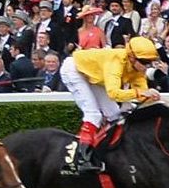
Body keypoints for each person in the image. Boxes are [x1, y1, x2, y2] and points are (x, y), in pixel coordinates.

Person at [60, 36, 162, 174]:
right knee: (93, 114)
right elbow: (114, 93)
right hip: (74, 70)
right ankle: (79, 159)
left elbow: (142, 93)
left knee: (115, 114)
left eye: (150, 62)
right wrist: (142, 93)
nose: (147, 66)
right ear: (131, 57)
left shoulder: (137, 69)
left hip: (94, 75)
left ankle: (103, 152)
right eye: (144, 62)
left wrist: (152, 97)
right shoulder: (116, 61)